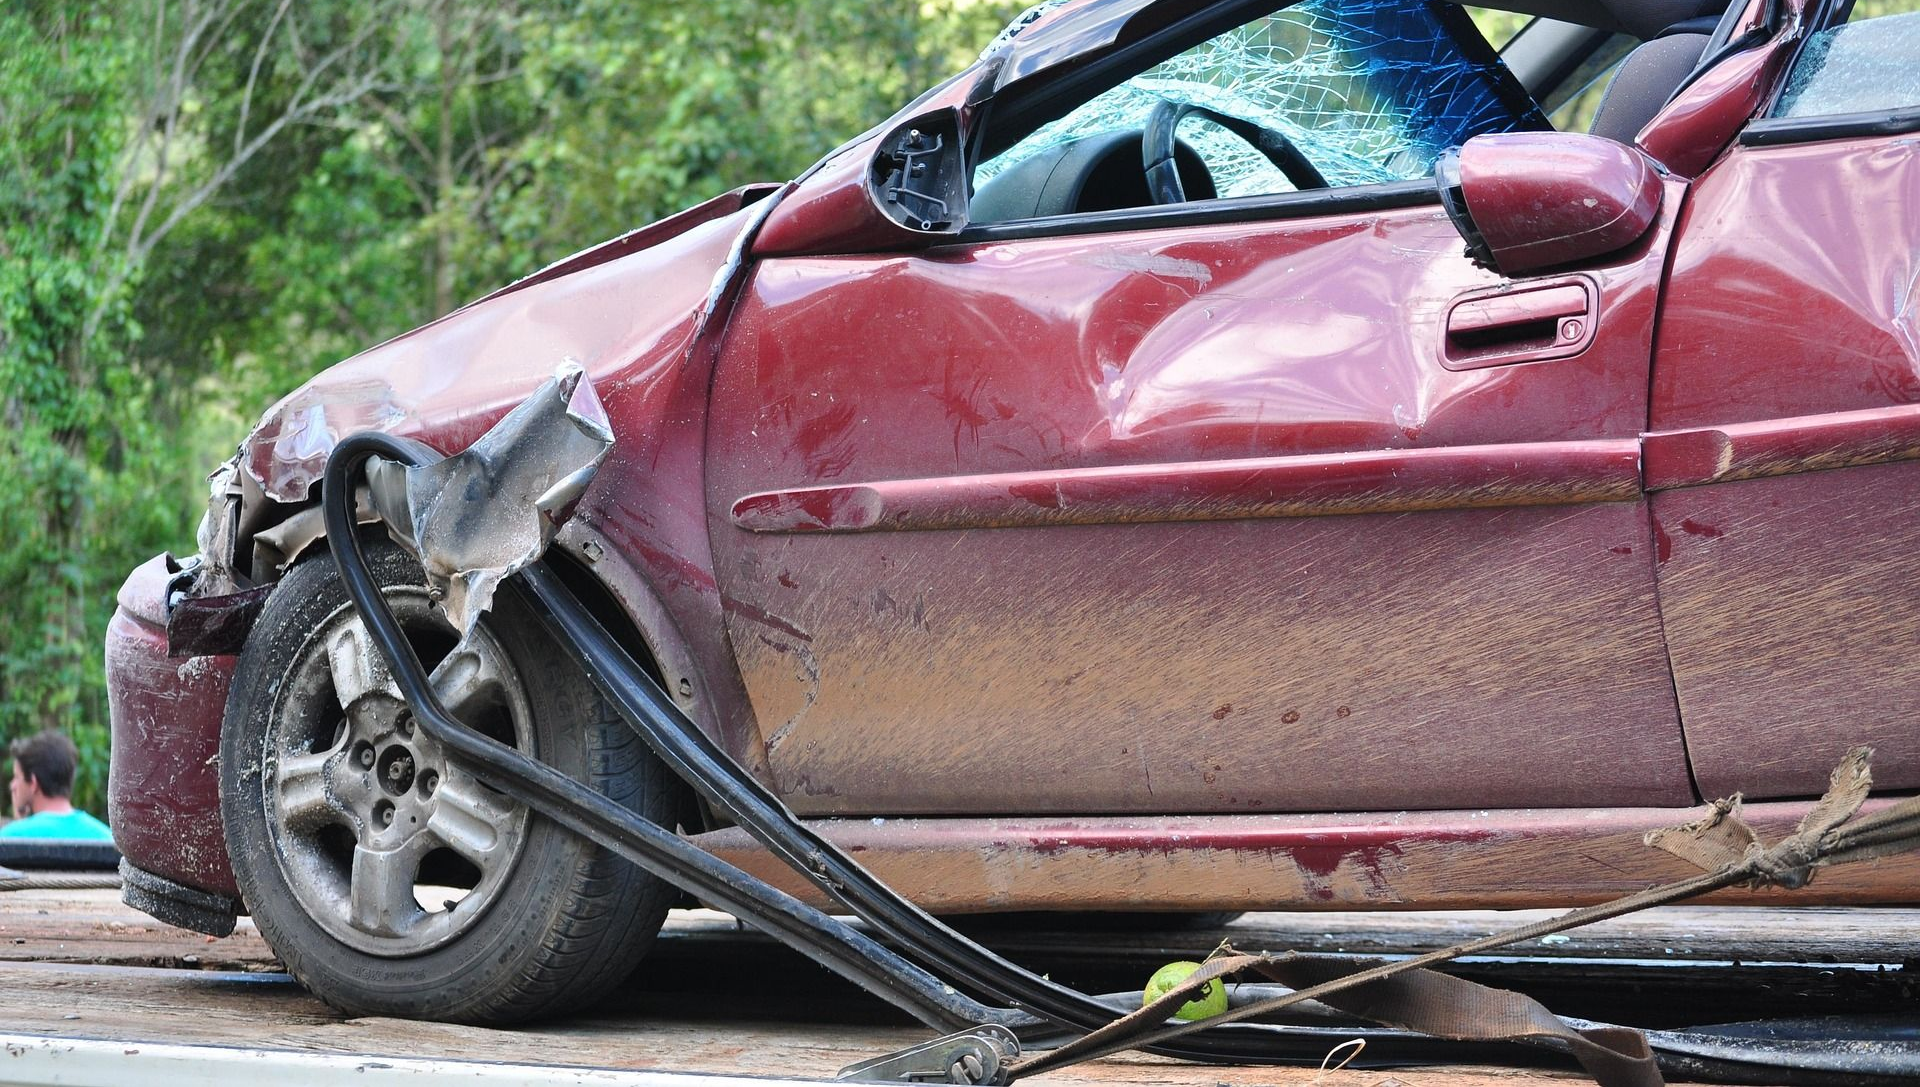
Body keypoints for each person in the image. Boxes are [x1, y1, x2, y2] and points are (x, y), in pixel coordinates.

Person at [3, 731, 112, 841]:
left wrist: (19, 825)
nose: (12, 786)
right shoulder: (108, 839)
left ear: (33, 782)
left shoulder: (7, 838)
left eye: (16, 777)